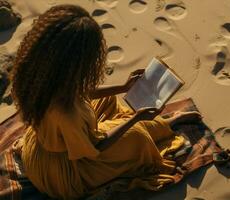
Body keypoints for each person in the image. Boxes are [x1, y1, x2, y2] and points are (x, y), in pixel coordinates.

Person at [11, 4, 201, 199]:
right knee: (137, 135)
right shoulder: (66, 113)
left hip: (47, 145)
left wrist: (123, 87)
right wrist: (135, 119)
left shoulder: (39, 75)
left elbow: (80, 93)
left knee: (108, 99)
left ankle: (162, 123)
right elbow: (96, 148)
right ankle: (166, 123)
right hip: (68, 171)